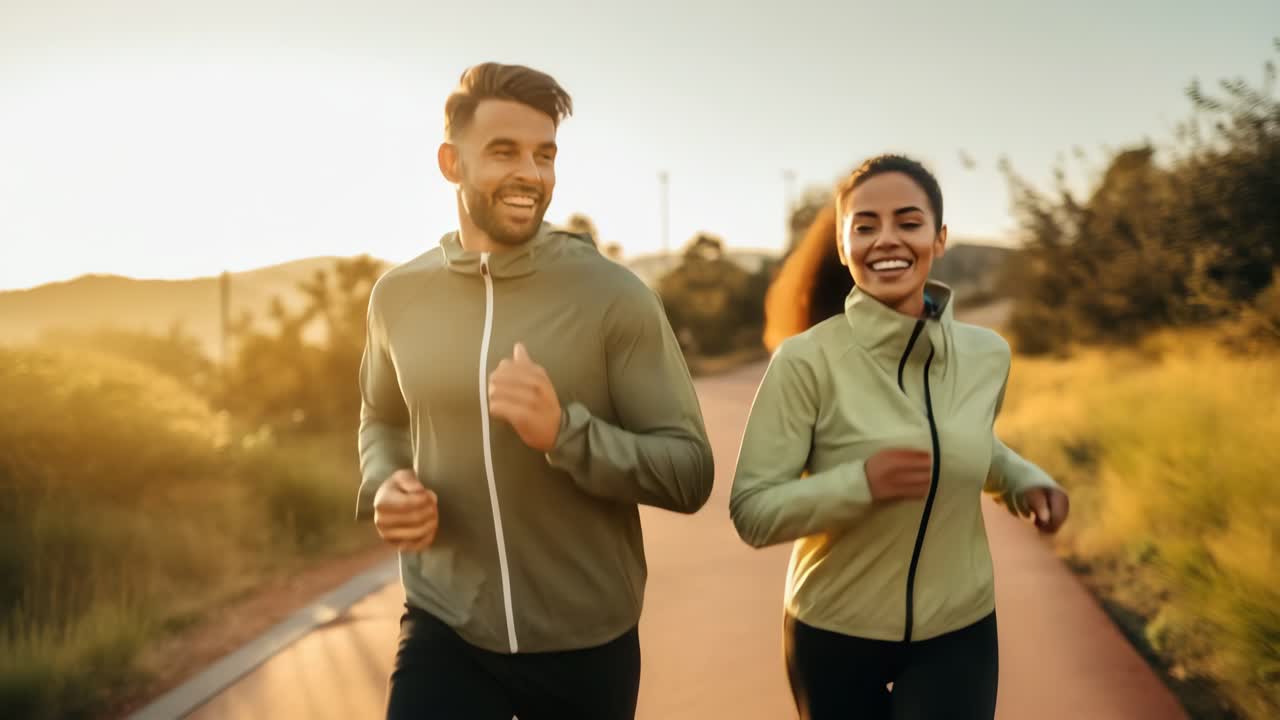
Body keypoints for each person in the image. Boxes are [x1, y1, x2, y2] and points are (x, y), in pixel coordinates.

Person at [356, 62, 715, 720]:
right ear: (450, 162)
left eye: (544, 154)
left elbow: (688, 472)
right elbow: (381, 419)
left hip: (586, 644)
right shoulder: (397, 298)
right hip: (445, 622)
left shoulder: (613, 295)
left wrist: (566, 435)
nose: (532, 174)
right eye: (504, 151)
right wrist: (385, 482)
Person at [730, 154, 1070, 720]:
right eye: (864, 227)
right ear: (843, 247)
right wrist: (861, 484)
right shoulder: (805, 362)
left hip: (959, 629)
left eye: (908, 222)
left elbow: (968, 444)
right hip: (834, 632)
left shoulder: (988, 356)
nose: (886, 239)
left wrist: (1023, 481)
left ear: (939, 239)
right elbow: (753, 510)